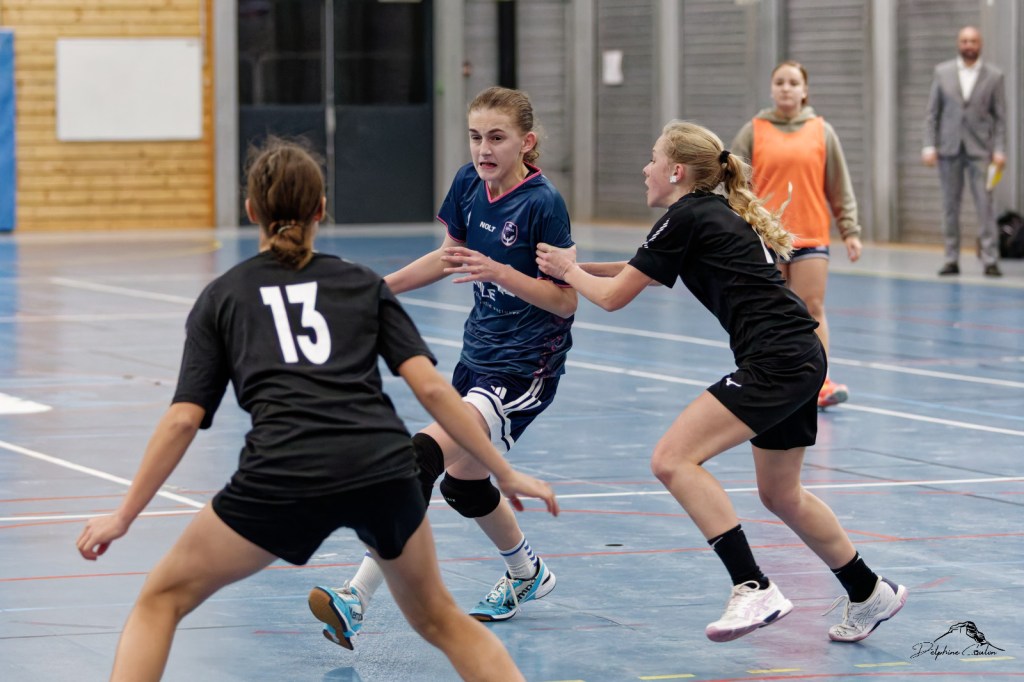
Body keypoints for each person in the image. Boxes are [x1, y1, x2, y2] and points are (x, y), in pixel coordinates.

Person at [75, 138, 559, 682]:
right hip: (381, 471)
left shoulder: (223, 296)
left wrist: (123, 516)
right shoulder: (361, 284)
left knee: (160, 602)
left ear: (251, 210)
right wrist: (503, 471)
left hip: (284, 473)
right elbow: (431, 390)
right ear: (321, 209)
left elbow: (183, 419)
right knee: (441, 621)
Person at [535, 120, 906, 644]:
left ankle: (753, 585)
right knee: (781, 494)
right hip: (800, 356)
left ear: (676, 171)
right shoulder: (706, 212)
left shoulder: (686, 215)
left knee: (672, 459)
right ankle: (868, 591)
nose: (645, 168)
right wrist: (571, 267)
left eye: (653, 158)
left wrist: (568, 272)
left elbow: (614, 297)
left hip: (777, 360)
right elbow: (638, 269)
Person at [309, 86, 576, 645]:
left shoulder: (543, 204)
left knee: (418, 459)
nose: (484, 149)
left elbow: (565, 300)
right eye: (476, 137)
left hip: (523, 370)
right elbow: (449, 257)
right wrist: (377, 291)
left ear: (526, 142)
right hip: (477, 355)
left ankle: (356, 596)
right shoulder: (468, 184)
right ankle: (528, 574)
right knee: (464, 486)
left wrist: (502, 272)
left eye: (497, 138)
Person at [730, 60, 862, 409]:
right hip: (765, 237)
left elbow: (839, 186)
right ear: (771, 88)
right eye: (780, 82)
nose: (786, 88)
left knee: (812, 308)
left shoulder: (822, 131)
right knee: (768, 311)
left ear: (805, 91)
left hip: (810, 235)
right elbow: (734, 183)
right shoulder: (753, 131)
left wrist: (850, 230)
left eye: (793, 82)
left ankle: (820, 382)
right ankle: (767, 377)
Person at [922, 25, 1006, 277]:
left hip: (981, 152)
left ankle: (990, 259)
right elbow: (932, 113)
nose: (969, 45)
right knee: (949, 206)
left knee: (985, 206)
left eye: (973, 41)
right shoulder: (942, 72)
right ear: (959, 44)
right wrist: (929, 145)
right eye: (965, 41)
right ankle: (951, 258)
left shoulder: (995, 76)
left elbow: (1000, 118)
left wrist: (999, 149)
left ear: (980, 44)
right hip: (949, 150)